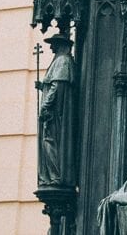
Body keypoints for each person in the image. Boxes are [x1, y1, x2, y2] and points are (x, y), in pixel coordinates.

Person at [37, 33, 76, 187]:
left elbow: (57, 87)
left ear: (60, 45)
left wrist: (45, 105)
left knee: (50, 143)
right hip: (53, 114)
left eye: (54, 44)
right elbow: (53, 84)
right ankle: (51, 176)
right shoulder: (60, 60)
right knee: (48, 143)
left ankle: (56, 176)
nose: (51, 47)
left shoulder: (62, 61)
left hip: (54, 115)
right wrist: (42, 86)